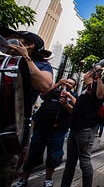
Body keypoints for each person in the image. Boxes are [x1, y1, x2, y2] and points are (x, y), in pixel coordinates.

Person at [0, 27, 53, 187]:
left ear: (29, 45)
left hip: (10, 131)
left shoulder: (41, 65)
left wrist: (25, 58)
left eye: (16, 38)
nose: (9, 41)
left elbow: (45, 84)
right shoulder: (5, 60)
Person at [15, 78, 77, 187]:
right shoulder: (54, 91)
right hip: (41, 129)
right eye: (67, 82)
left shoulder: (74, 96)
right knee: (32, 155)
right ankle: (23, 179)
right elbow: (42, 94)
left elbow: (76, 112)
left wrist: (67, 104)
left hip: (58, 132)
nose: (68, 84)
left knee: (53, 156)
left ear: (73, 87)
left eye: (71, 84)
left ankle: (48, 179)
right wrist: (57, 84)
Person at [61, 67, 104, 187]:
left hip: (86, 130)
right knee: (70, 162)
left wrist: (98, 77)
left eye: (88, 72)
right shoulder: (85, 91)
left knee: (84, 162)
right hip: (74, 129)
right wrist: (66, 105)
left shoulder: (95, 87)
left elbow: (100, 95)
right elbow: (77, 109)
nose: (86, 73)